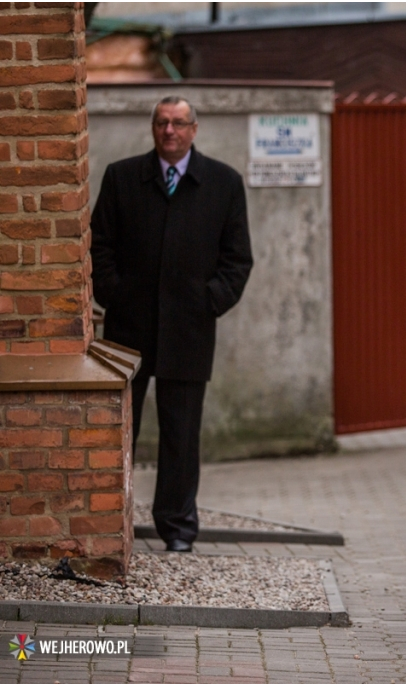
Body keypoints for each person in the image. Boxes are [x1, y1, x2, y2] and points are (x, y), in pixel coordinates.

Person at [91, 96, 253, 553]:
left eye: (179, 123)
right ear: (152, 128)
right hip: (128, 330)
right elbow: (97, 244)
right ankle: (107, 520)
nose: (169, 131)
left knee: (181, 437)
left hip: (189, 330)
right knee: (119, 429)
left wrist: (208, 302)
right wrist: (114, 294)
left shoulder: (223, 183)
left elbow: (238, 260)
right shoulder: (122, 178)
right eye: (162, 123)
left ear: (194, 130)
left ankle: (178, 528)